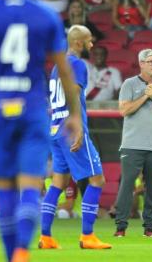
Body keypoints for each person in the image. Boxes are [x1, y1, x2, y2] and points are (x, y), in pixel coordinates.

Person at [0, 0, 83, 261]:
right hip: (33, 110)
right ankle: (22, 250)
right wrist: (74, 113)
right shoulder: (46, 14)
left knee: (4, 189)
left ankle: (11, 255)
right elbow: (63, 68)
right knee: (30, 185)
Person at [39, 25, 111, 250]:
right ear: (79, 43)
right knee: (97, 180)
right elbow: (74, 93)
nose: (92, 45)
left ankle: (46, 237)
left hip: (55, 129)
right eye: (89, 41)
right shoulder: (78, 65)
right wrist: (78, 127)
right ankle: (87, 236)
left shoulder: (56, 68)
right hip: (71, 130)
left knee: (58, 183)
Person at [114, 48, 152, 237]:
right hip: (132, 144)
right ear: (141, 63)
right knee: (127, 184)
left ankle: (149, 228)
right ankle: (120, 227)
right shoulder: (129, 84)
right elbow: (124, 110)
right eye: (150, 61)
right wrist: (144, 96)